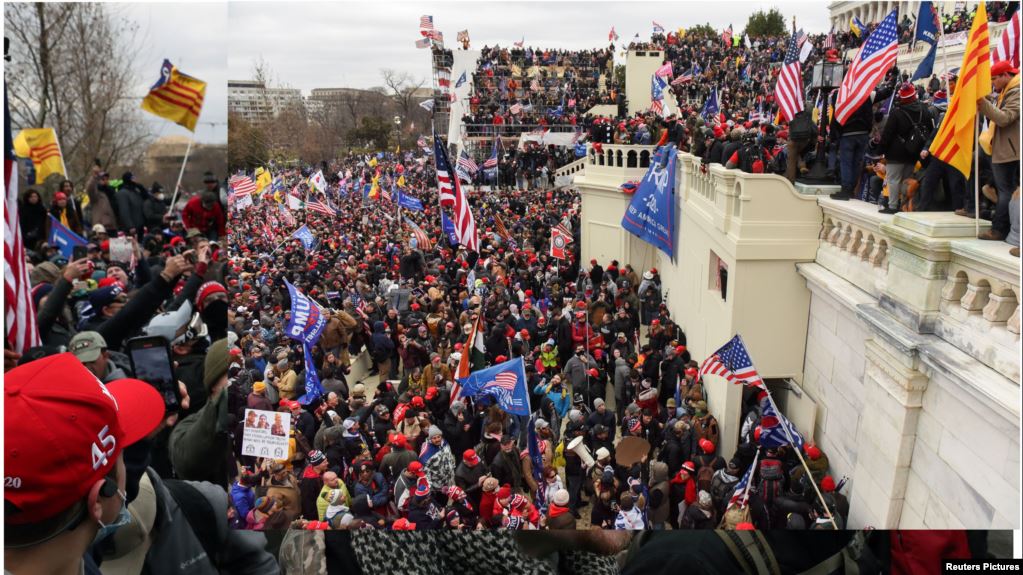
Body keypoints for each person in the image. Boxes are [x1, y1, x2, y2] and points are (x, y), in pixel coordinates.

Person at [977, 60, 1020, 242]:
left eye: (994, 79)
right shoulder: (1007, 90)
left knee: (1005, 191)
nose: (992, 83)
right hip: (1005, 149)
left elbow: (1004, 118)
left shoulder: (1017, 92)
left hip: (1009, 151)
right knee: (1006, 191)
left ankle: (999, 229)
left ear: (1006, 75)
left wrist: (983, 103)